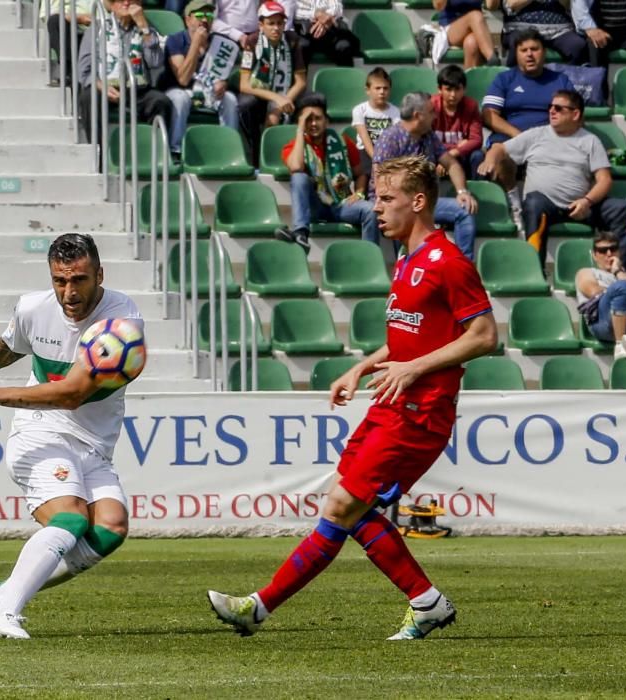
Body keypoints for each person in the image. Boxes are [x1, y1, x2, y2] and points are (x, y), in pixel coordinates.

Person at [207, 155, 498, 640]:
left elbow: (484, 335)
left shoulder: (447, 262)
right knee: (351, 506)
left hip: (420, 412)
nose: (376, 208)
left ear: (419, 201)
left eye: (387, 199)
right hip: (391, 403)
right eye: (376, 197)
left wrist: (414, 368)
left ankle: (257, 608)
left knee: (343, 505)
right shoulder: (406, 258)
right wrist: (362, 366)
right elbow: (412, 335)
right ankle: (426, 602)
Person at [0, 233, 144, 640]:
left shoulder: (120, 322)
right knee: (70, 519)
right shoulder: (34, 307)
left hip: (91, 442)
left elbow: (71, 395)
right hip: (38, 432)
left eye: (80, 280)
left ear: (99, 275)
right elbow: (10, 345)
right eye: (59, 281)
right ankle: (3, 618)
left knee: (110, 528)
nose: (69, 292)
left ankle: (0, 595)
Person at [478, 89, 626, 267]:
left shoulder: (590, 141)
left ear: (575, 114)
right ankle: (535, 270)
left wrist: (587, 201)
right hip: (546, 206)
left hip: (581, 206)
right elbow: (500, 149)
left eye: (559, 108)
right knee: (533, 203)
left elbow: (605, 179)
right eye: (551, 107)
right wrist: (490, 160)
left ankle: (624, 273)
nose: (552, 111)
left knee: (624, 209)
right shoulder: (536, 135)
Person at [480, 28, 574, 224]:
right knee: (501, 153)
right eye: (524, 50)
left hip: (549, 139)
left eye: (535, 49)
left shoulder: (560, 80)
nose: (530, 54)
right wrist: (519, 135)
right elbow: (489, 116)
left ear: (544, 52)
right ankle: (514, 203)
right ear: (516, 53)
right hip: (510, 137)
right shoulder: (504, 79)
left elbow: (570, 115)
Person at [373, 92, 479, 260]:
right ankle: (405, 264)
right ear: (418, 115)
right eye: (431, 112)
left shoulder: (429, 136)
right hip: (400, 204)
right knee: (398, 214)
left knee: (464, 210)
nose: (435, 116)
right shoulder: (390, 138)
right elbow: (379, 177)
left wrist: (462, 192)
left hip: (427, 203)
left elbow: (451, 164)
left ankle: (463, 264)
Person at [275, 93, 377, 252]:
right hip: (316, 206)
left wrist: (359, 192)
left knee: (371, 210)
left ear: (327, 121)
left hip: (341, 204)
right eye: (308, 119)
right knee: (299, 177)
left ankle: (370, 258)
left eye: (318, 118)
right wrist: (300, 130)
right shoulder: (293, 147)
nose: (313, 123)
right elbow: (296, 167)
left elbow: (361, 173)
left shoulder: (343, 142)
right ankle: (301, 232)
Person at [76, 0, 171, 144]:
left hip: (137, 90)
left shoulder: (147, 29)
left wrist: (143, 27)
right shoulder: (97, 28)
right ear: (112, 5)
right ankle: (98, 154)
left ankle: (153, 152)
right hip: (105, 88)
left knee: (161, 101)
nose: (126, 3)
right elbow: (84, 70)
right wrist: (102, 86)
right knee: (88, 98)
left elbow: (155, 62)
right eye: (120, 0)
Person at [164, 0, 240, 161]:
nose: (204, 19)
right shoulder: (175, 40)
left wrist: (225, 83)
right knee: (180, 98)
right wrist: (196, 43)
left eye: (209, 15)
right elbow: (183, 78)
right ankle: (175, 150)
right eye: (199, 15)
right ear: (187, 19)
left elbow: (229, 73)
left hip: (208, 92)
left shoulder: (220, 43)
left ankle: (231, 149)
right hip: (180, 90)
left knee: (230, 99)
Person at [237, 1, 307, 165]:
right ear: (261, 24)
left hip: (287, 94)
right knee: (246, 104)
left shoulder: (292, 40)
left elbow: (301, 81)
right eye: (271, 23)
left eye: (280, 23)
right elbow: (244, 85)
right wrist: (276, 98)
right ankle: (254, 160)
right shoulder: (251, 42)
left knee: (315, 100)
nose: (276, 28)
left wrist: (279, 105)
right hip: (261, 94)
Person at [575, 231, 626, 358]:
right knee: (622, 287)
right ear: (595, 255)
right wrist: (625, 294)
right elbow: (594, 291)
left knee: (623, 286)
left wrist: (618, 272)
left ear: (619, 252)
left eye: (613, 249)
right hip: (603, 320)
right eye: (602, 250)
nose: (609, 254)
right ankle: (620, 346)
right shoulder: (587, 272)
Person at [493, 0, 587, 66]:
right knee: (518, 42)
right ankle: (514, 83)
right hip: (521, 29)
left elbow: (568, 4)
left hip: (559, 30)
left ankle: (570, 85)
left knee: (577, 45)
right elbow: (512, 4)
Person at [431, 64, 484, 181]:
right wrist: (451, 150)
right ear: (439, 89)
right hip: (437, 156)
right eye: (448, 89)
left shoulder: (471, 106)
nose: (453, 95)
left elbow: (477, 140)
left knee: (478, 156)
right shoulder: (431, 106)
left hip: (461, 155)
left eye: (457, 89)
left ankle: (477, 190)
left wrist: (454, 153)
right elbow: (426, 139)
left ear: (464, 89)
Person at [351, 67, 400, 179]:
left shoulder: (395, 112)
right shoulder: (359, 110)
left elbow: (395, 138)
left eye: (385, 88)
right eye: (377, 88)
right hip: (366, 151)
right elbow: (364, 137)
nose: (382, 92)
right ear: (368, 90)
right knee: (368, 172)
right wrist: (377, 159)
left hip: (388, 152)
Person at [572, 0, 626, 68]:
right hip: (602, 33)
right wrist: (591, 29)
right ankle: (598, 79)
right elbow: (580, 9)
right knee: (594, 44)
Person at [434, 0, 500, 67]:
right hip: (450, 27)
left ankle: (470, 76)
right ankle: (492, 59)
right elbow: (439, 5)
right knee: (475, 15)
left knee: (472, 43)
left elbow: (492, 6)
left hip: (476, 28)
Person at [293, 0, 357, 68]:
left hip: (330, 27)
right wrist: (314, 14)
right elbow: (289, 9)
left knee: (344, 46)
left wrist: (326, 18)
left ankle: (347, 78)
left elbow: (337, 6)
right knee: (301, 47)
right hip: (303, 30)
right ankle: (299, 78)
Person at [45, 0, 93, 86]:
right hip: (71, 32)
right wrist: (76, 18)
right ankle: (69, 72)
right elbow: (49, 14)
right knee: (55, 21)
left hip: (97, 30)